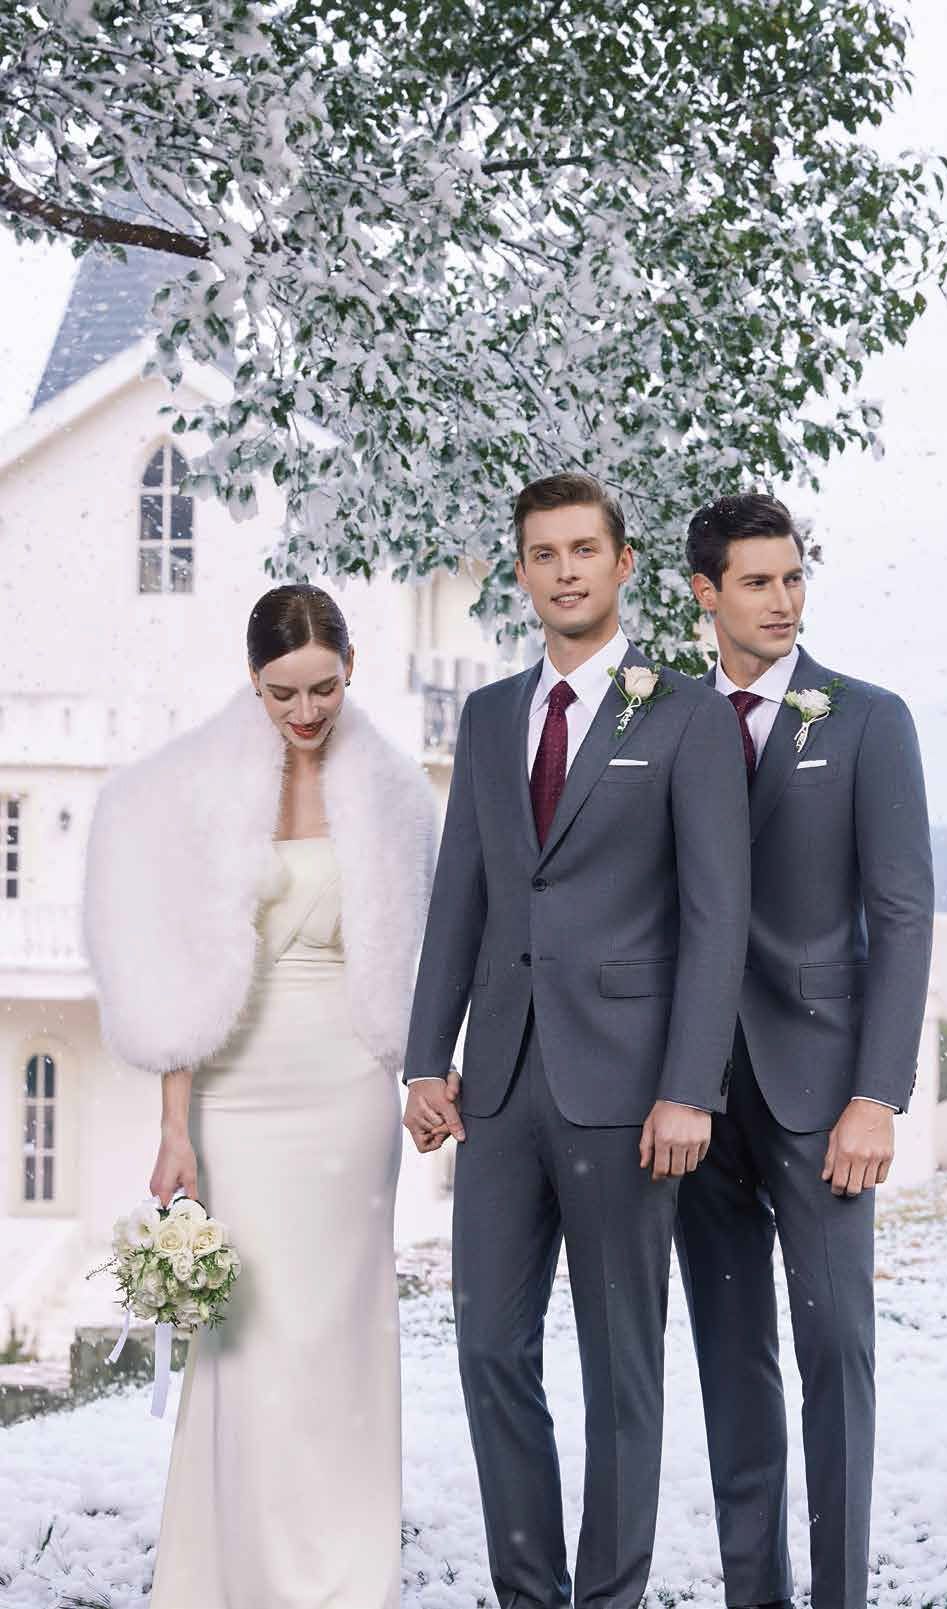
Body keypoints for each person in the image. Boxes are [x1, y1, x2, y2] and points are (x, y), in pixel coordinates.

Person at [402, 472, 751, 1609]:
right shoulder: (493, 714)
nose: (563, 570)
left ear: (623, 564)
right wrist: (423, 1053)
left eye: (583, 550)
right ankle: (527, 1595)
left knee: (619, 1372)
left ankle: (608, 1598)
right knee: (489, 1351)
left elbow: (713, 917)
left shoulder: (688, 713)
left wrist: (689, 1085)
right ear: (521, 572)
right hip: (498, 1087)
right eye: (542, 553)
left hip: (630, 1092)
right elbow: (462, 891)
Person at [83, 584, 435, 1609]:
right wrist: (172, 1123)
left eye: (323, 686)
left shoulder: (397, 794)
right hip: (235, 1086)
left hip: (347, 1087)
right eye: (283, 691)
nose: (307, 710)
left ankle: (343, 1578)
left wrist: (421, 1073)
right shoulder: (192, 789)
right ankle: (228, 1573)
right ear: (253, 680)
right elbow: (174, 964)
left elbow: (420, 955)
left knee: (338, 1331)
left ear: (352, 668)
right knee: (248, 1335)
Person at [675, 495, 934, 1609]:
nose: (781, 601)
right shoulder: (669, 723)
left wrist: (876, 1093)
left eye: (791, 578)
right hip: (692, 1097)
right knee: (733, 1367)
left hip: (823, 1096)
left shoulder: (867, 720)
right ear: (703, 593)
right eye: (756, 582)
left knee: (835, 1358)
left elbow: (903, 913)